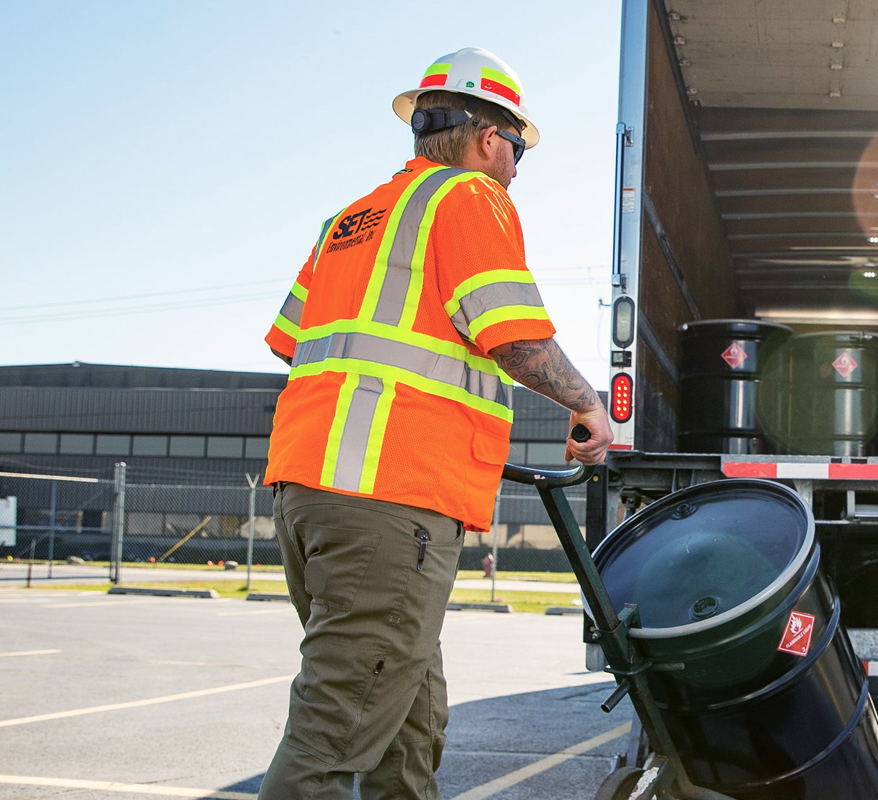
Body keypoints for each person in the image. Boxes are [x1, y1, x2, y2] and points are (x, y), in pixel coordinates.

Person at [256, 47, 611, 800]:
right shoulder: (468, 199)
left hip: (309, 496)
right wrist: (589, 406)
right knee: (336, 729)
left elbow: (297, 345)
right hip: (389, 500)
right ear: (489, 138)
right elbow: (514, 335)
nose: (516, 168)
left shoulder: (346, 222)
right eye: (517, 151)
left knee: (409, 724)